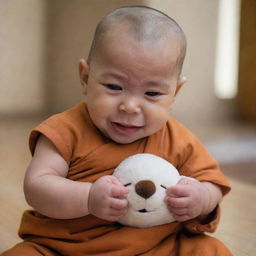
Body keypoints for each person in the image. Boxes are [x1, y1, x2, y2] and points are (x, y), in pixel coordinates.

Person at [2, 6, 232, 256]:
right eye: (114, 86)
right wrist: (88, 198)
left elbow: (213, 183)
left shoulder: (178, 139)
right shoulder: (64, 131)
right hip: (65, 249)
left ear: (175, 92)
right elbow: (37, 187)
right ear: (85, 78)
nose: (130, 106)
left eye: (152, 93)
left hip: (156, 246)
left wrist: (201, 198)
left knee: (210, 249)